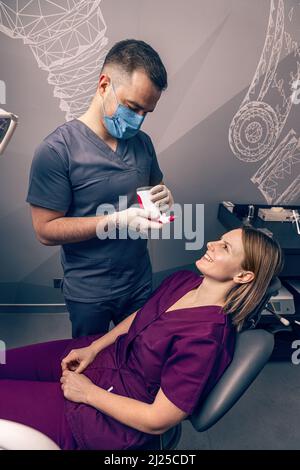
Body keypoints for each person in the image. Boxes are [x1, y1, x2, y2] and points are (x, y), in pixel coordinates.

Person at [0, 227, 283, 450]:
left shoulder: (206, 339)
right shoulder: (185, 280)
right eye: (219, 240)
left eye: (225, 247)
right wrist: (94, 347)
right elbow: (141, 315)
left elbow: (158, 420)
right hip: (103, 358)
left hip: (108, 411)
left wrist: (87, 393)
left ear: (244, 275)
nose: (211, 244)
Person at [26, 39, 174, 338]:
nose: (139, 120)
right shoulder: (57, 151)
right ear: (104, 84)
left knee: (137, 360)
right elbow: (45, 231)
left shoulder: (141, 144)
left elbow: (154, 191)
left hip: (138, 282)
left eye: (147, 112)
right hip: (89, 290)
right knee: (89, 366)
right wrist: (114, 220)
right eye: (133, 107)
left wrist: (164, 196)